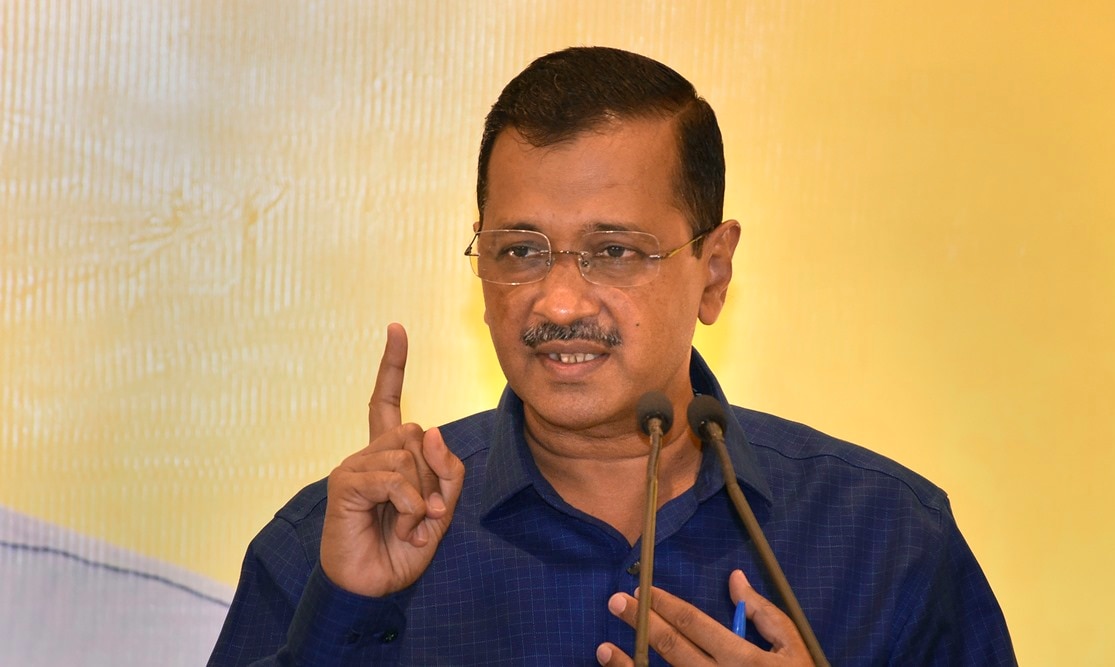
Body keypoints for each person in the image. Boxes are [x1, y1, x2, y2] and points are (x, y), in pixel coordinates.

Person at [210, 46, 1015, 666]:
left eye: (616, 251)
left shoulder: (886, 538)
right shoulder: (336, 538)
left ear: (715, 268)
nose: (559, 303)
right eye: (520, 250)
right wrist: (345, 612)